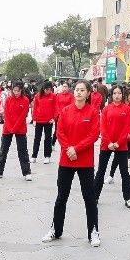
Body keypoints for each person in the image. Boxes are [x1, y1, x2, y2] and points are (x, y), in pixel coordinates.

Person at [43, 79, 102, 246]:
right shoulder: (65, 111)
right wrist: (69, 149)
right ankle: (56, 229)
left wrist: (76, 149)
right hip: (66, 160)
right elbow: (60, 132)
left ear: (88, 93)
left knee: (89, 198)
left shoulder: (92, 112)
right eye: (77, 89)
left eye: (83, 90)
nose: (79, 92)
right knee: (62, 197)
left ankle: (93, 231)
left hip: (84, 161)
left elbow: (93, 134)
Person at [95, 83, 130, 209]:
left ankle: (128, 198)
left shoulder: (127, 109)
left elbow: (127, 129)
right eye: (114, 93)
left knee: (124, 172)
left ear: (122, 94)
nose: (117, 95)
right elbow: (103, 127)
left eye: (119, 93)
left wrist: (119, 142)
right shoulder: (106, 109)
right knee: (101, 171)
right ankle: (94, 197)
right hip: (106, 145)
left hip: (121, 145)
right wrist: (109, 142)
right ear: (111, 95)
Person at [0, 81, 32, 181]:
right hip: (8, 128)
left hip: (20, 128)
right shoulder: (8, 100)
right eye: (14, 90)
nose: (16, 93)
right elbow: (6, 115)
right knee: (3, 150)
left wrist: (14, 128)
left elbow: (23, 116)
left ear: (21, 91)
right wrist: (10, 128)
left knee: (23, 151)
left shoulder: (25, 100)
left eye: (18, 91)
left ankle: (27, 172)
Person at [31, 80, 56, 164]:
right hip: (39, 120)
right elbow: (34, 108)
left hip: (49, 121)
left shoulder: (53, 96)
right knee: (37, 138)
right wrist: (34, 119)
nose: (48, 91)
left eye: (49, 89)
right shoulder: (38, 96)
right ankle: (34, 156)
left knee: (48, 139)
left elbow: (56, 108)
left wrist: (54, 118)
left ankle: (47, 156)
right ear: (43, 88)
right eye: (46, 89)